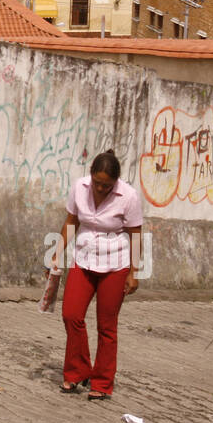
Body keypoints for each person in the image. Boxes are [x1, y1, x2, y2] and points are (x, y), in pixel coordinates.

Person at [50, 149, 143, 400]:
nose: (101, 189)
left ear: (116, 183)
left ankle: (102, 382)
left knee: (106, 325)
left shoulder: (129, 196)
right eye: (98, 184)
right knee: (71, 315)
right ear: (90, 176)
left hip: (116, 264)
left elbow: (135, 233)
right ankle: (77, 371)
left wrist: (134, 271)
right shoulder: (79, 187)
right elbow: (71, 221)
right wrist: (58, 252)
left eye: (107, 185)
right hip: (83, 259)